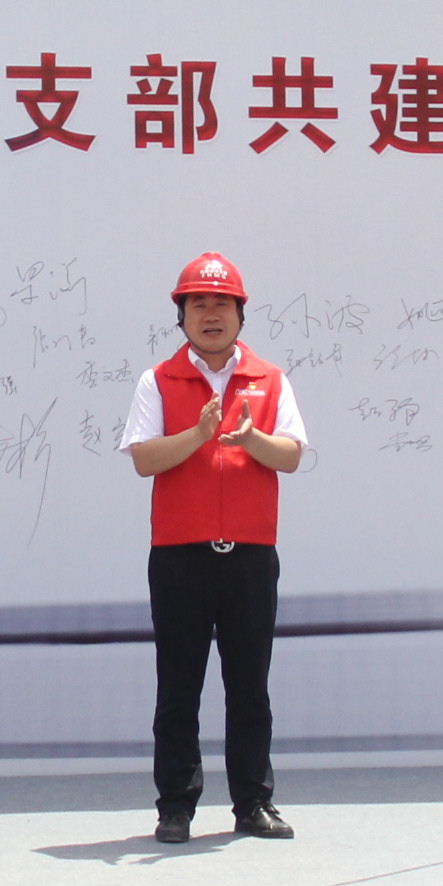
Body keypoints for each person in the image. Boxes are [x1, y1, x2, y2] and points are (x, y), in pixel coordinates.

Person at [125, 252, 303, 843]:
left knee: (249, 687)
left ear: (240, 314)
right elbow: (144, 459)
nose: (210, 314)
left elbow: (291, 455)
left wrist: (251, 439)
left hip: (250, 555)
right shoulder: (157, 380)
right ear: (180, 316)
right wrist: (199, 434)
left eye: (221, 303)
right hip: (180, 555)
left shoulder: (270, 379)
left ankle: (254, 802)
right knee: (179, 688)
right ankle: (175, 807)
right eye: (197, 303)